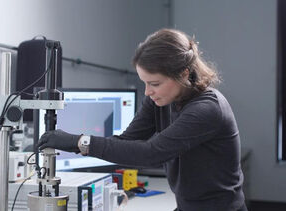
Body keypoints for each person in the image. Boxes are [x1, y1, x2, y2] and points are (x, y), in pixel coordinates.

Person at [37, 28, 247, 211]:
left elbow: (151, 153)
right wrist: (76, 147)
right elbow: (127, 141)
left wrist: (79, 141)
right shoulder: (160, 100)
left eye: (155, 83)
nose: (147, 92)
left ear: (183, 74)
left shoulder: (207, 109)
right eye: (145, 83)